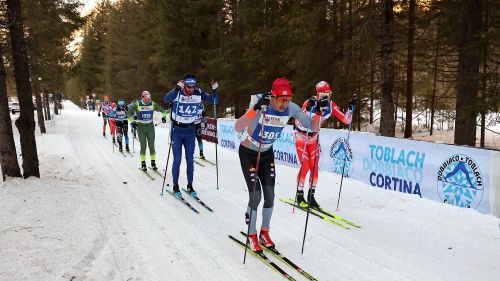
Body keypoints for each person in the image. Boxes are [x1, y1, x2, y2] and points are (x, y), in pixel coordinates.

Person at [234, 77, 322, 252]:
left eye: (288, 100)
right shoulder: (262, 106)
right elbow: (238, 127)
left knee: (270, 195)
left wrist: (318, 112)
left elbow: (313, 127)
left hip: (266, 154)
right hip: (249, 153)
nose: (285, 104)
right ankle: (251, 234)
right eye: (282, 100)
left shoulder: (292, 108)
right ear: (273, 96)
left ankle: (264, 233)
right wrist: (256, 109)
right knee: (256, 196)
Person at [293, 81, 353, 209]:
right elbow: (299, 122)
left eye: (329, 93)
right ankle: (299, 195)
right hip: (301, 136)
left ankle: (311, 196)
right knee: (306, 165)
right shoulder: (309, 103)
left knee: (314, 167)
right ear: (318, 94)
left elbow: (346, 120)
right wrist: (310, 112)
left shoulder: (331, 105)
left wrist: (351, 108)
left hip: (314, 138)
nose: (327, 97)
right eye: (324, 94)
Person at [162, 75, 218, 198]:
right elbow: (166, 99)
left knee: (190, 160)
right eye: (189, 87)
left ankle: (190, 185)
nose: (191, 89)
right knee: (177, 160)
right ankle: (175, 185)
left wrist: (215, 90)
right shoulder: (178, 91)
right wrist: (177, 88)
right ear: (184, 85)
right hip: (177, 130)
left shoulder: (198, 92)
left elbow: (214, 100)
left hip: (190, 130)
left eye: (193, 87)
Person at [127, 91, 167, 171]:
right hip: (141, 128)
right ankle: (143, 163)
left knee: (151, 146)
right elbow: (128, 113)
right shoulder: (137, 104)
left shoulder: (152, 104)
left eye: (149, 99)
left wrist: (164, 117)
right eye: (146, 99)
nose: (147, 100)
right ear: (142, 98)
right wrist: (132, 121)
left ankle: (153, 162)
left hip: (150, 127)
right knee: (143, 146)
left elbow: (163, 111)